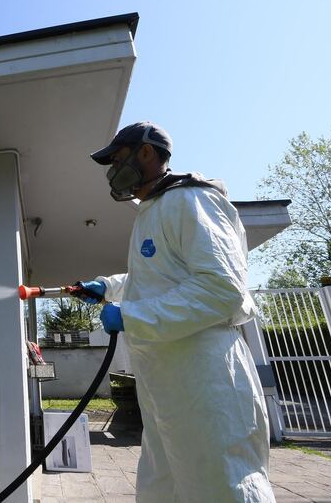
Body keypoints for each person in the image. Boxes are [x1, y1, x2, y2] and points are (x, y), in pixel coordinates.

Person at [74, 122, 276, 502]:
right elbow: (157, 277)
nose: (112, 172)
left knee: (221, 486)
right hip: (165, 384)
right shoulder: (152, 210)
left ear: (146, 153)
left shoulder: (192, 201)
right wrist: (107, 286)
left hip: (204, 378)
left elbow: (222, 290)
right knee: (161, 490)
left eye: (117, 160)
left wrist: (131, 316)